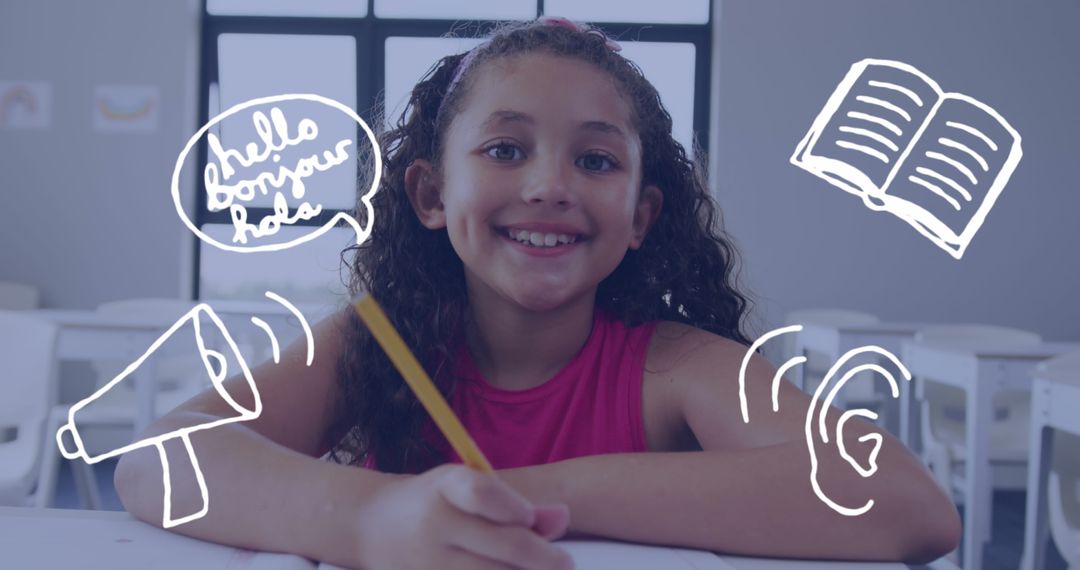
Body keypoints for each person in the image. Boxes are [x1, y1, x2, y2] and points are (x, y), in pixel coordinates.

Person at [115, 17, 961, 570]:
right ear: (430, 196)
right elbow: (160, 460)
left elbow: (909, 506)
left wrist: (525, 495)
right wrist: (376, 520)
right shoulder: (379, 346)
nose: (551, 186)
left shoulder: (674, 367)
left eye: (596, 161)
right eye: (505, 150)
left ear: (640, 216)